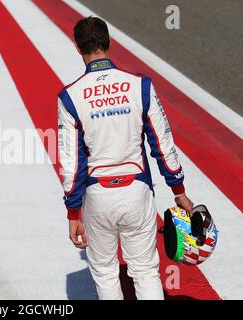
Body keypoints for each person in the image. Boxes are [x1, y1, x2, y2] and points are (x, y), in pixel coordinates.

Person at [57, 16, 194, 300]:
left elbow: (70, 163)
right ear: (109, 42)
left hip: (98, 196)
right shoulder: (140, 86)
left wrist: (73, 213)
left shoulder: (69, 97)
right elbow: (163, 143)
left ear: (77, 48)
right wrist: (178, 190)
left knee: (106, 274)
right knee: (145, 272)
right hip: (137, 191)